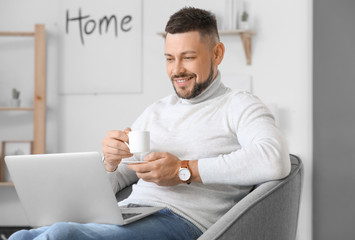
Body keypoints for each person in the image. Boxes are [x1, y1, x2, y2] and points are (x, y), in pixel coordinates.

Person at [10, 7, 290, 240]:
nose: (176, 70)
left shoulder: (239, 105)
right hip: (130, 212)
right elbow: (120, 178)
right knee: (22, 236)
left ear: (217, 54)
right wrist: (110, 162)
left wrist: (183, 170)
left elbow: (274, 160)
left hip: (182, 222)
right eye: (169, 58)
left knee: (62, 235)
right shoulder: (156, 111)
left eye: (188, 57)